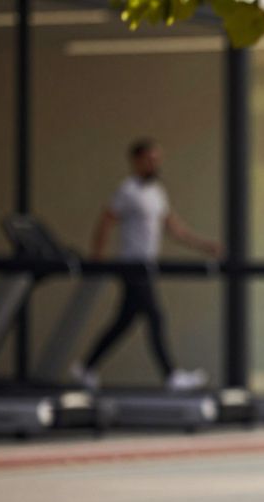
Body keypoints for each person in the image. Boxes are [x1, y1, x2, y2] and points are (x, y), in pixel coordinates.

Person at [71, 138, 220, 392]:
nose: (155, 164)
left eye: (157, 159)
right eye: (150, 159)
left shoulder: (157, 192)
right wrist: (98, 257)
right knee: (155, 317)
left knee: (124, 321)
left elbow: (174, 228)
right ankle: (171, 375)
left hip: (147, 266)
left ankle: (86, 367)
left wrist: (204, 246)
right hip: (132, 266)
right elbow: (106, 220)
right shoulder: (127, 191)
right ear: (137, 161)